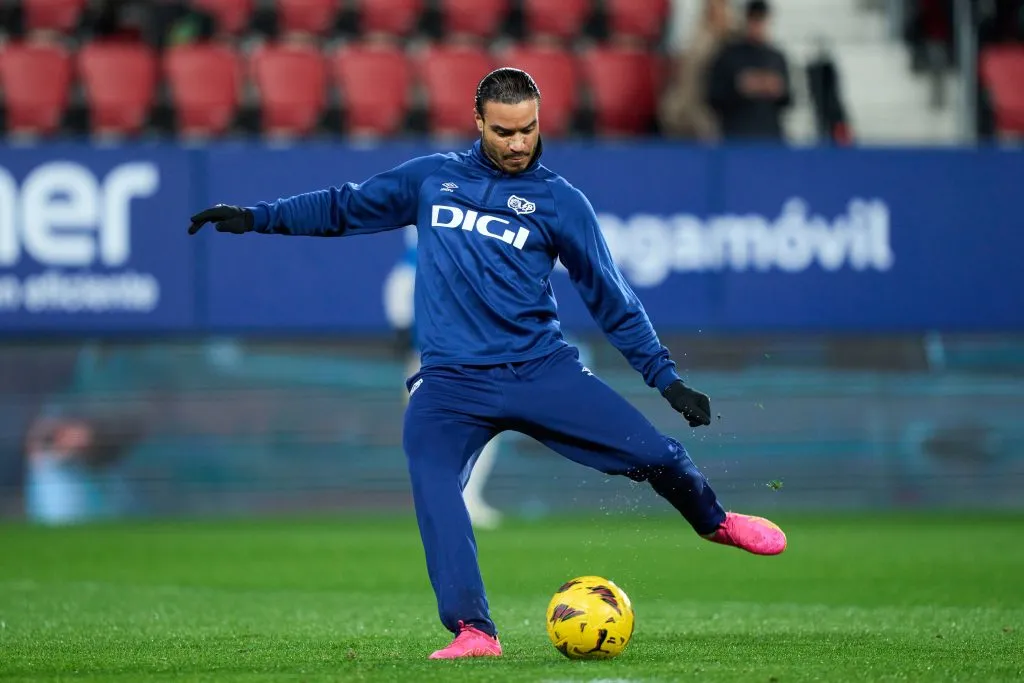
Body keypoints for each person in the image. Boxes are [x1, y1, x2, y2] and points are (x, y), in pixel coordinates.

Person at [188, 67, 788, 660]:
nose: (519, 143)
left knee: (659, 455)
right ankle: (474, 631)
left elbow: (612, 297)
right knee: (433, 485)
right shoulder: (432, 180)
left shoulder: (560, 202)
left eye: (528, 128)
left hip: (540, 371)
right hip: (450, 384)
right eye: (504, 131)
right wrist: (256, 216)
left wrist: (667, 380)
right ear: (478, 123)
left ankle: (713, 521)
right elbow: (344, 208)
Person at [384, 227, 505, 530]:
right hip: (434, 360)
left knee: (476, 431)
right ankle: (449, 502)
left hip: (463, 357)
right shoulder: (427, 255)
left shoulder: (461, 257)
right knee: (443, 435)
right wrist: (402, 329)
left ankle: (465, 499)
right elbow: (398, 288)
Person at [706, 0, 792, 141]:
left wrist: (775, 89)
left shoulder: (776, 58)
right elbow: (712, 97)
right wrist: (738, 87)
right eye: (754, 20)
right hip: (736, 135)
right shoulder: (729, 56)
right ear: (746, 20)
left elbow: (788, 100)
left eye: (761, 20)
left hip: (769, 136)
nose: (757, 26)